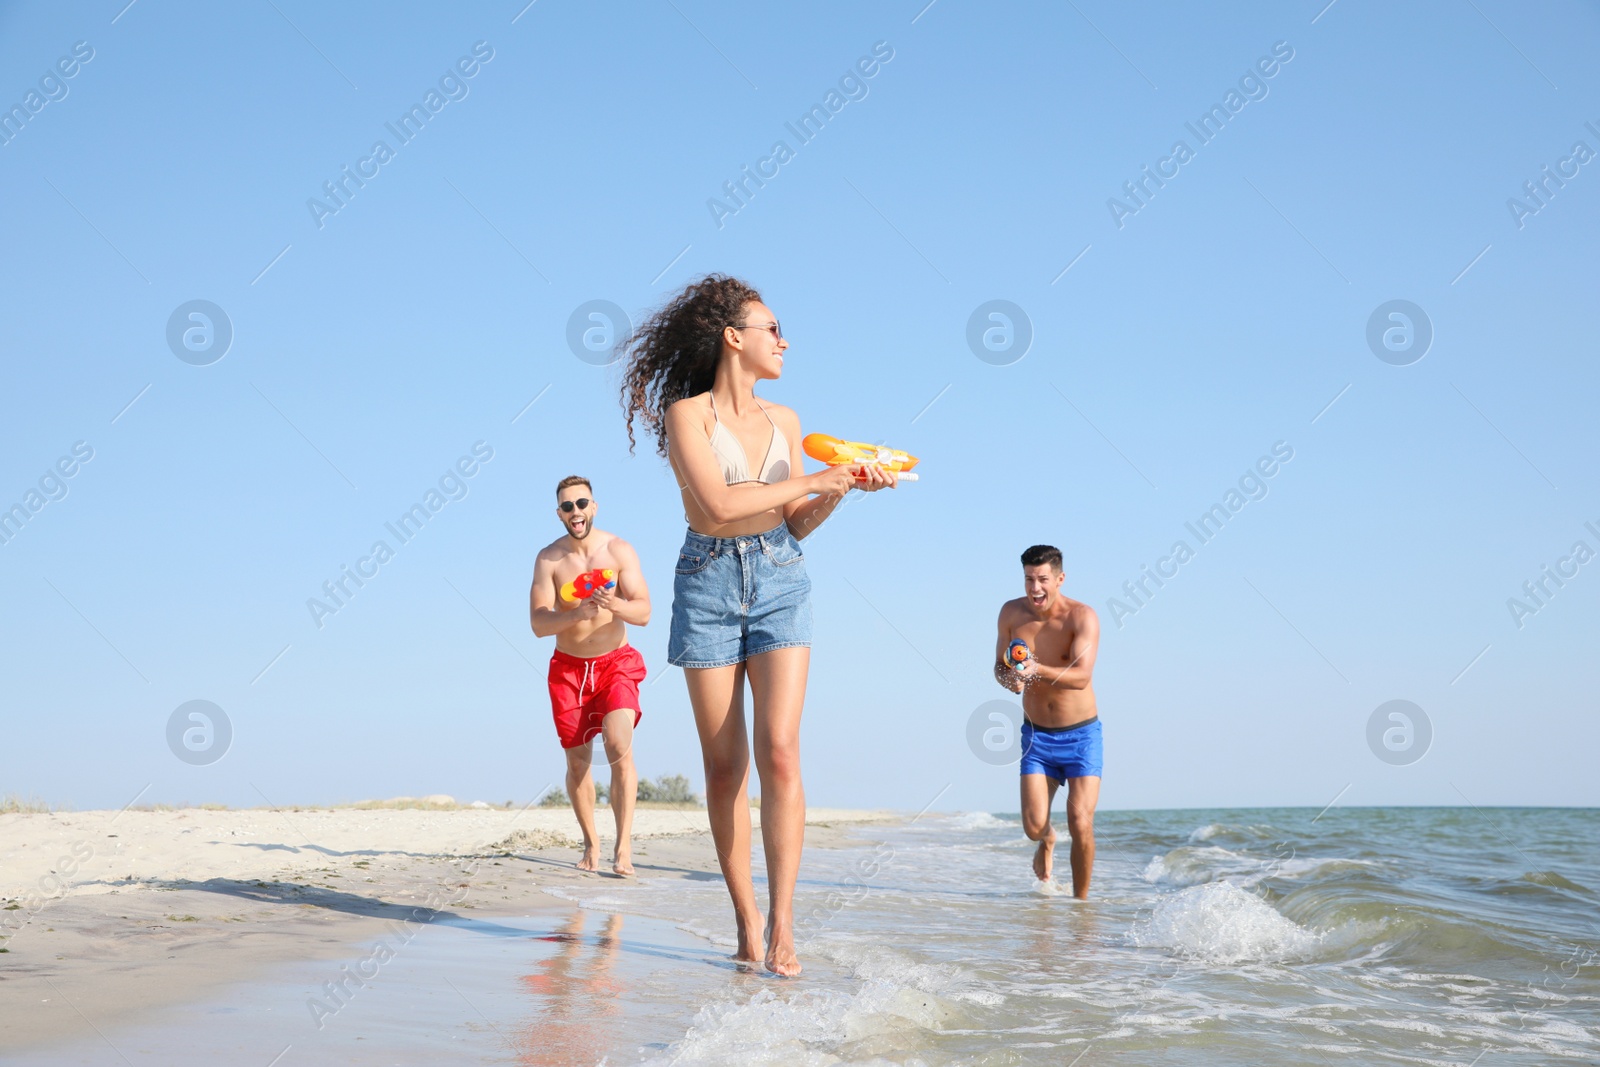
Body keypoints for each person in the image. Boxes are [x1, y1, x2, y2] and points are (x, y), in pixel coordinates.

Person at [619, 274, 897, 975]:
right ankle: (744, 917)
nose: (784, 340)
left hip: (781, 577)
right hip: (707, 580)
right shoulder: (687, 416)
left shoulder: (788, 419)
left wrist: (842, 490)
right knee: (724, 766)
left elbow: (794, 519)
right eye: (773, 328)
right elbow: (714, 507)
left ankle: (783, 924)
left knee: (780, 750)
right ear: (733, 337)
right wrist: (812, 479)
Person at [529, 476, 651, 876]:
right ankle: (591, 845)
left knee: (618, 744)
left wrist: (613, 603)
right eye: (567, 506)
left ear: (594, 507)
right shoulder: (549, 559)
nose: (575, 512)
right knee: (578, 763)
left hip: (615, 662)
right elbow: (538, 622)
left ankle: (623, 847)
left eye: (581, 503)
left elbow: (644, 612)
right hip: (568, 669)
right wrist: (575, 614)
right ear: (559, 514)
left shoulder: (618, 550)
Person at [994, 544, 1102, 898]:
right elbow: (999, 666)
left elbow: (1081, 677)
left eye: (1042, 579)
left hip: (1081, 736)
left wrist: (1037, 669)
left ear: (1060, 578)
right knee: (1033, 827)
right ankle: (1048, 840)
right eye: (1028, 579)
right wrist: (1012, 679)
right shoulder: (1011, 613)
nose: (1035, 588)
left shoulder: (1081, 617)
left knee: (1081, 821)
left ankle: (1080, 906)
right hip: (1037, 737)